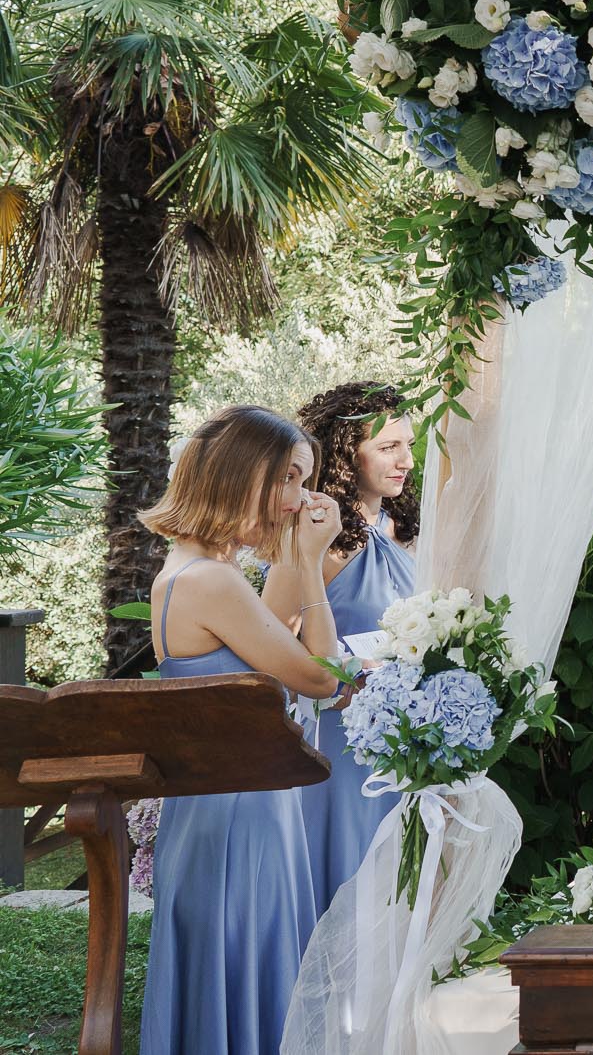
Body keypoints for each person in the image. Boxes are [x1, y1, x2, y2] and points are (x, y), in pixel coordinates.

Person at [137, 406, 346, 1055]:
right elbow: (323, 676)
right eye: (287, 477)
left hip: (221, 806)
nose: (299, 499)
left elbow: (275, 642)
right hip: (239, 815)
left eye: (304, 480)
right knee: (253, 970)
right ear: (240, 474)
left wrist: (293, 558)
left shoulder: (189, 571)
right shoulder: (213, 581)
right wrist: (310, 562)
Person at [294, 382, 418, 917]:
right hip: (341, 732)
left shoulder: (405, 528)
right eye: (389, 447)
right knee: (349, 872)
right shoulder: (319, 538)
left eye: (409, 445)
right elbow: (283, 640)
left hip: (406, 729)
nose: (407, 461)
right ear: (347, 450)